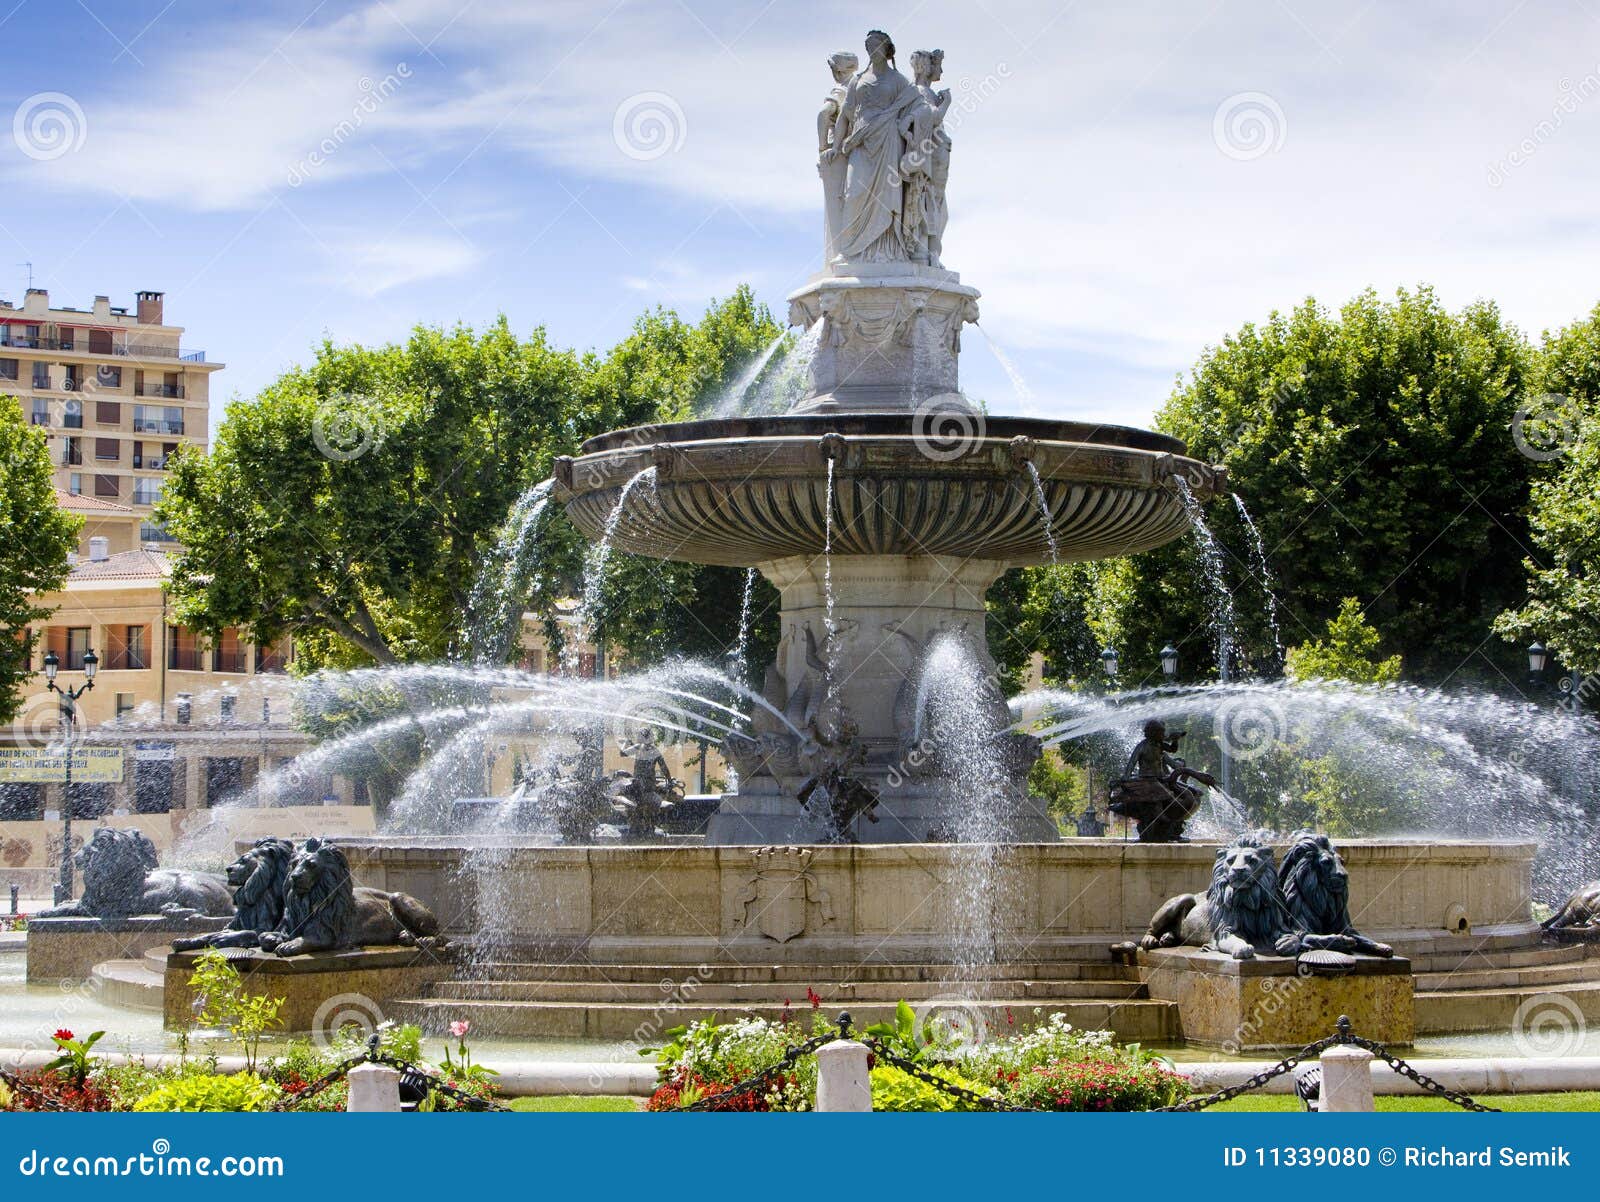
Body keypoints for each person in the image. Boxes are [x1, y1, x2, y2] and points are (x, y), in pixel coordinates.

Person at [824, 30, 922, 263]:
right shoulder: (858, 80)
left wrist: (908, 125)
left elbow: (919, 106)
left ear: (886, 50)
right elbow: (845, 116)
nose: (871, 50)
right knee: (853, 192)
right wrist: (836, 146)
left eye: (875, 45)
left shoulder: (898, 80)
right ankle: (849, 249)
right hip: (861, 141)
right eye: (868, 46)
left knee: (886, 193)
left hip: (888, 141)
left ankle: (887, 251)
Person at [817, 50, 859, 265]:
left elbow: (824, 113)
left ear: (838, 68)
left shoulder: (843, 89)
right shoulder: (862, 87)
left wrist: (823, 146)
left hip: (839, 155)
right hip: (860, 153)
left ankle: (840, 255)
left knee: (837, 207)